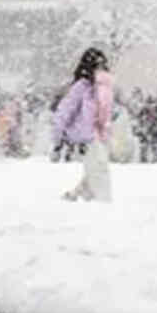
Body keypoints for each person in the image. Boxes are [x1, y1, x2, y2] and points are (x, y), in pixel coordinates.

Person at [53, 48, 114, 202]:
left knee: (96, 167)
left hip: (100, 135)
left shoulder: (103, 87)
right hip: (85, 135)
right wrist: (58, 137)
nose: (100, 67)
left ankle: (75, 194)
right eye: (97, 64)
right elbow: (65, 110)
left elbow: (106, 111)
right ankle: (103, 201)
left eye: (102, 64)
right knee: (99, 168)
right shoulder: (82, 87)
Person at [137, 93, 157, 164]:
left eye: (152, 103)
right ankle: (143, 160)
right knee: (144, 146)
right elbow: (139, 119)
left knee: (154, 146)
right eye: (149, 103)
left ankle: (155, 159)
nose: (150, 106)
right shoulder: (143, 110)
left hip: (154, 130)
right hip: (145, 130)